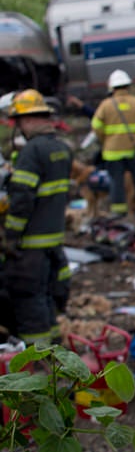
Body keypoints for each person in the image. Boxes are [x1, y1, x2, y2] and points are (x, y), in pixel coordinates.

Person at [2, 89, 72, 344]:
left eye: (18, 122)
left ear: (29, 119)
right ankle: (55, 357)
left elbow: (21, 200)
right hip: (54, 242)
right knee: (47, 301)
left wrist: (11, 236)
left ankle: (38, 363)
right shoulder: (62, 149)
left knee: (28, 303)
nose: (18, 128)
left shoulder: (32, 152)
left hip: (30, 246)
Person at [91, 69, 135, 218]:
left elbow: (96, 126)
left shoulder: (106, 105)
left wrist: (105, 140)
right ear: (128, 86)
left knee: (116, 182)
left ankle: (118, 211)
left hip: (113, 152)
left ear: (111, 87)